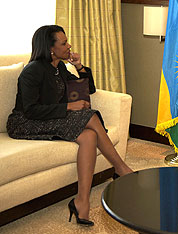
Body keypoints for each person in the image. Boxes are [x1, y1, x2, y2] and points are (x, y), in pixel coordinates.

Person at [7, 25, 133, 226]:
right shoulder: (32, 71)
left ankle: (81, 201)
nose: (69, 46)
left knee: (89, 136)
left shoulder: (60, 68)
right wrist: (68, 106)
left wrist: (80, 67)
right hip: (25, 122)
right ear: (50, 47)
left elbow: (87, 89)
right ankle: (121, 169)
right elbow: (30, 110)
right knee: (89, 116)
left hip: (47, 118)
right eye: (64, 43)